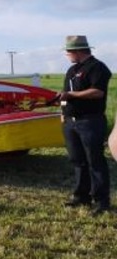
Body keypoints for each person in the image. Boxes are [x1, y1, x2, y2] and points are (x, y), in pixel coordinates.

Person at [58, 35, 112, 216]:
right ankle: (81, 196)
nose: (67, 55)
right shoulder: (72, 70)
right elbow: (65, 94)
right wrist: (63, 113)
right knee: (78, 160)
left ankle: (102, 201)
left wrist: (72, 95)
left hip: (90, 121)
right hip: (71, 122)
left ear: (78, 51)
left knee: (95, 161)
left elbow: (97, 92)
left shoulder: (97, 68)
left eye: (68, 52)